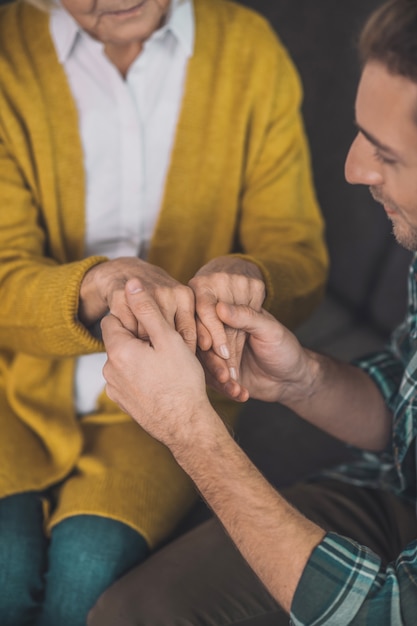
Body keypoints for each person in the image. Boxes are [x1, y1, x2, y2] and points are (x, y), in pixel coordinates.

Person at [88, 0, 417, 624]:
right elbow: (405, 413)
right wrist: (303, 380)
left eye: (388, 155)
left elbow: (384, 610)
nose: (352, 169)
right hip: (399, 497)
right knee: (129, 612)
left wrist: (189, 429)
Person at [0, 0, 328, 624]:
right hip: (10, 391)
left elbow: (300, 254)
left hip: (175, 403)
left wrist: (250, 276)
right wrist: (100, 284)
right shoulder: (7, 53)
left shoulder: (248, 50)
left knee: (87, 573)